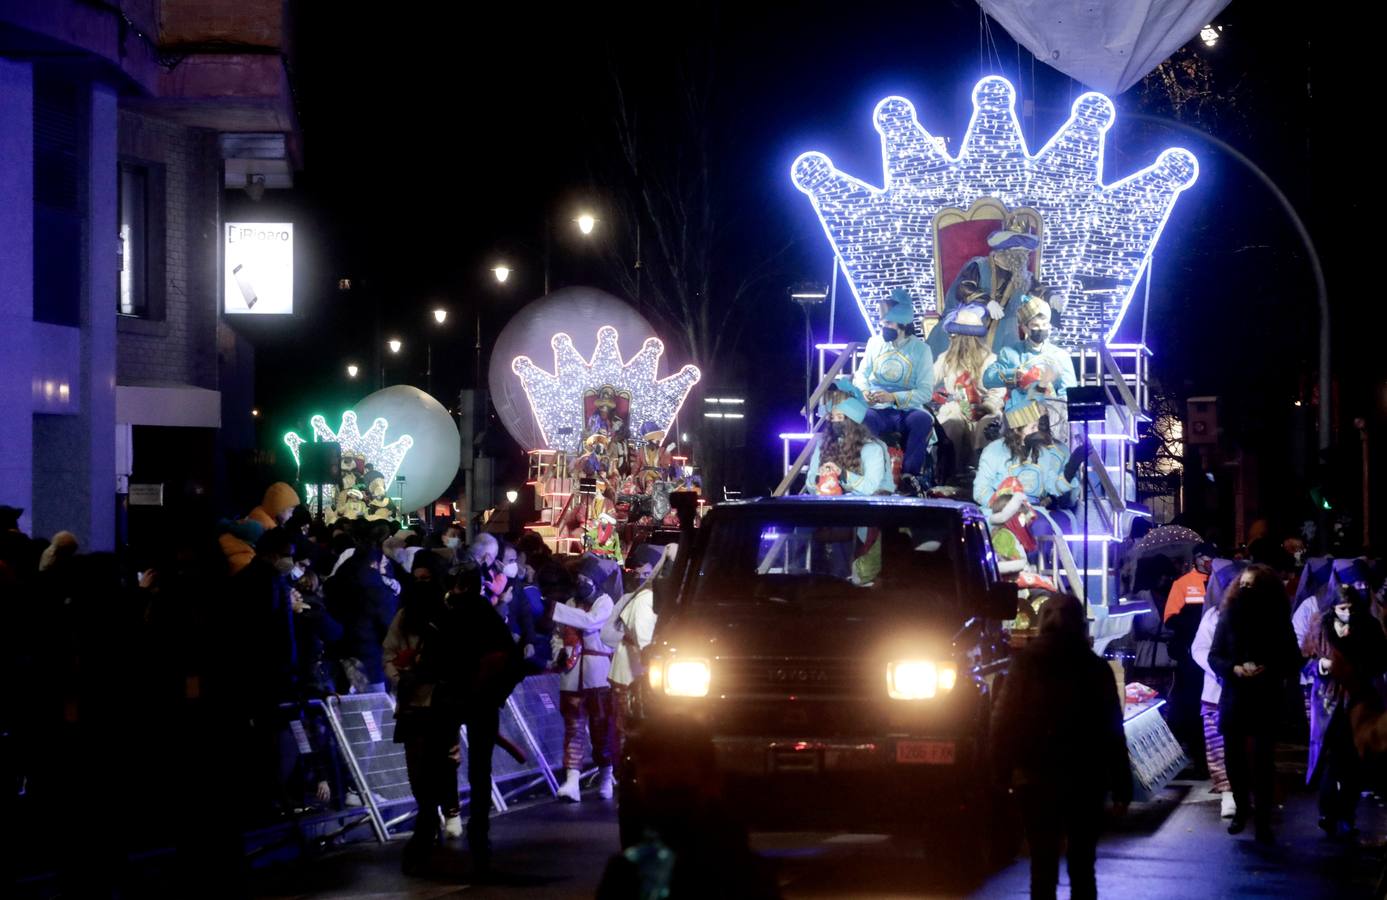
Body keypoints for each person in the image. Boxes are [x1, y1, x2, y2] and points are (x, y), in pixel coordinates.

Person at [991, 592, 1131, 900]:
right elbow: (1112, 730)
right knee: (1082, 867)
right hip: (1085, 781)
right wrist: (1122, 787)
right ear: (1081, 625)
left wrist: (1001, 774)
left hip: (1034, 778)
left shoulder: (1024, 664)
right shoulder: (1095, 668)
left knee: (1042, 865)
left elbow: (1003, 722)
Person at [1207, 564, 1301, 842]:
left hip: (1265, 697)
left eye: (1253, 585)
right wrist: (1233, 669)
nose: (1247, 590)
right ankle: (1241, 811)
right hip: (1236, 696)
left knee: (1263, 761)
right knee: (1234, 759)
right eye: (1243, 584)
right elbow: (1215, 656)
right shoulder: (1229, 616)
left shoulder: (1278, 619)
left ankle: (1262, 819)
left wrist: (1268, 668)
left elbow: (1292, 659)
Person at [1302, 582, 1387, 839]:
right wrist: (1321, 666)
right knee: (1331, 759)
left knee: (1353, 761)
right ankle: (1328, 813)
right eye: (1341, 607)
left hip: (1359, 700)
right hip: (1328, 701)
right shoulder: (1320, 626)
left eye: (1350, 607)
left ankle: (1347, 815)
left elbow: (1381, 659)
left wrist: (1359, 667)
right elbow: (1304, 660)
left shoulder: (1368, 626)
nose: (1346, 612)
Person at [544, 556, 618, 802]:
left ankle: (606, 776)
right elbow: (557, 634)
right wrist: (559, 653)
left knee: (601, 729)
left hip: (597, 675)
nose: (582, 582)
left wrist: (557, 610)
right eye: (579, 578)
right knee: (573, 729)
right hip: (571, 674)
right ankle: (572, 780)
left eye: (586, 578)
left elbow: (590, 622)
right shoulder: (570, 602)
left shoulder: (605, 602)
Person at [852, 288, 935, 494]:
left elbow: (925, 391)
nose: (884, 327)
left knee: (922, 421)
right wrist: (864, 392)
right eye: (882, 323)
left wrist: (894, 397)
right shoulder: (874, 343)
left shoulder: (921, 350)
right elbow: (861, 374)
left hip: (906, 407)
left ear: (903, 324)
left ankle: (910, 476)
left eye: (888, 323)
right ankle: (870, 473)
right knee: (865, 419)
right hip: (877, 407)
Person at [974, 401, 1083, 535]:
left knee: (1041, 527)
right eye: (1032, 428)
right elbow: (980, 490)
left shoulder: (1043, 452)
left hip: (1033, 510)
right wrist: (1008, 506)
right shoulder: (994, 450)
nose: (1037, 431)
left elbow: (1053, 486)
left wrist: (1071, 468)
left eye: (1037, 427)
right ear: (1016, 430)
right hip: (999, 510)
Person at [1190, 562, 1247, 820]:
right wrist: (1221, 669)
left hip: (1247, 692)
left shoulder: (1256, 616)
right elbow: (1199, 650)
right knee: (1217, 747)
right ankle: (1227, 793)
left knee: (1244, 746)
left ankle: (1244, 793)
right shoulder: (1213, 617)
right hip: (1216, 693)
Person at [983, 295, 1077, 429]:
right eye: (1035, 326)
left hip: (1051, 417)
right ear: (1025, 328)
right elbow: (987, 378)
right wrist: (1015, 375)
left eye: (1044, 325)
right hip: (1018, 417)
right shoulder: (1011, 353)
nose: (1041, 329)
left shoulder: (1060, 356)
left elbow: (1068, 392)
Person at [932, 301, 1005, 472]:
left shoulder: (990, 359)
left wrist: (986, 407)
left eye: (955, 335)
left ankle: (980, 473)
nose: (952, 338)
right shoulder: (946, 358)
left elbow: (997, 393)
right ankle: (949, 472)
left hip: (983, 411)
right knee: (952, 422)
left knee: (987, 426)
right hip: (957, 408)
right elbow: (929, 380)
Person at [604, 543, 664, 746]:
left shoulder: (654, 596)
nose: (640, 576)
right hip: (632, 675)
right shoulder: (646, 598)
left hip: (638, 673)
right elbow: (645, 643)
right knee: (629, 734)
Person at [804, 396, 894, 496]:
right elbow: (809, 484)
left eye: (840, 417)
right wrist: (820, 477)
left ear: (852, 422)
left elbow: (871, 488)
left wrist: (843, 474)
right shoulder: (822, 443)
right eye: (832, 417)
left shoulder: (872, 448)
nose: (835, 422)